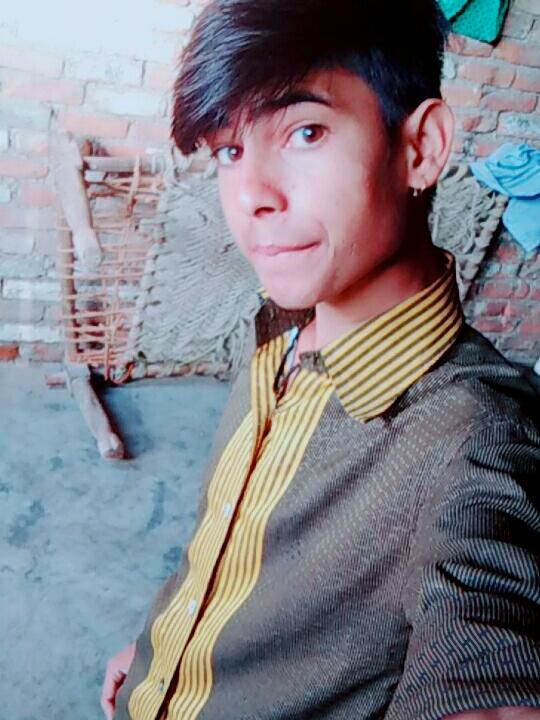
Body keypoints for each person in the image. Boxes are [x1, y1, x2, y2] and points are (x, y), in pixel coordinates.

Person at [102, 1, 540, 718]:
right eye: (229, 151)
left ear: (421, 148)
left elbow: (487, 657)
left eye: (305, 132)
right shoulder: (278, 332)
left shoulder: (477, 438)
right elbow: (232, 542)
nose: (251, 196)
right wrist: (168, 652)